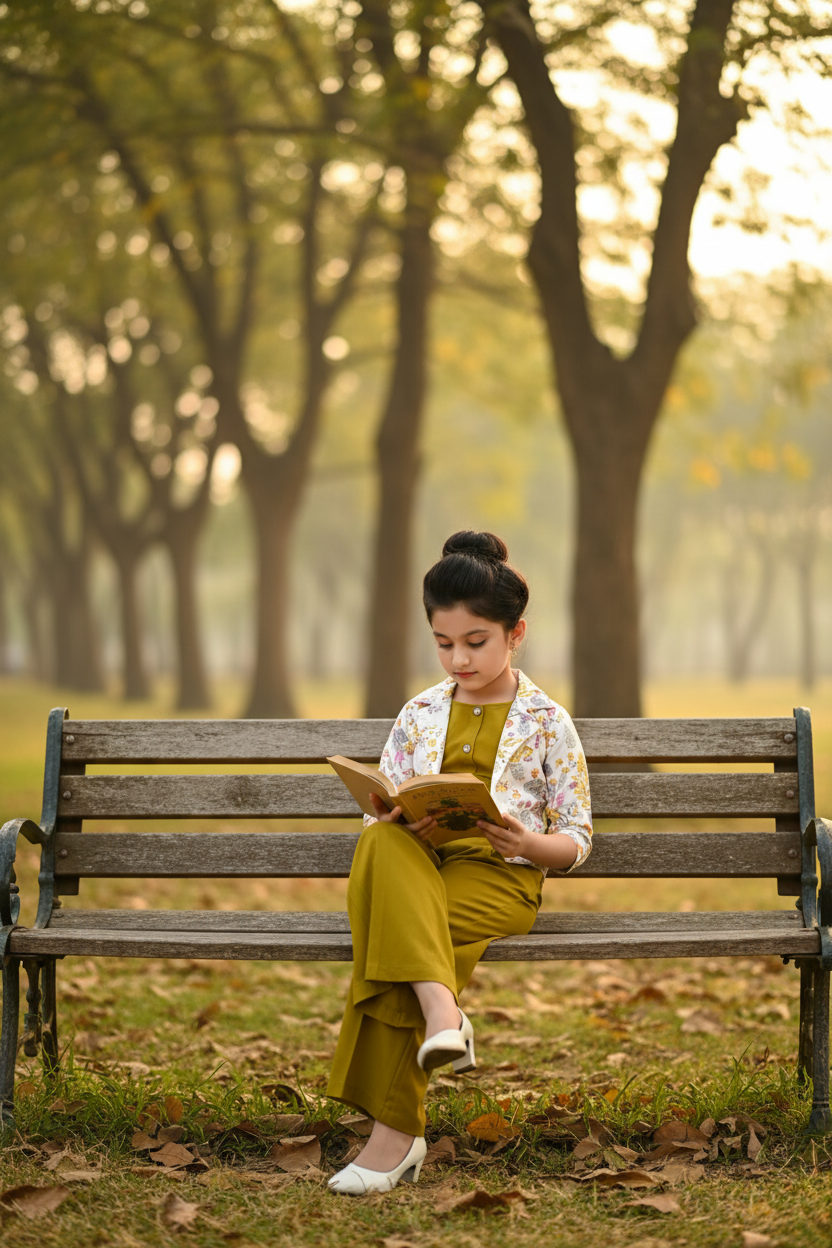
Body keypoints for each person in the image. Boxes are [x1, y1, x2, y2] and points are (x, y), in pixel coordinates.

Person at [326, 531, 592, 1195]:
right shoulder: (418, 713)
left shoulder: (547, 721)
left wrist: (528, 844)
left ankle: (393, 1138)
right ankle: (441, 1012)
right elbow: (380, 810)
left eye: (476, 641)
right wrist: (395, 817)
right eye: (443, 643)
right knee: (378, 843)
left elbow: (576, 836)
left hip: (500, 877)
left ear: (515, 633)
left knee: (394, 941)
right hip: (419, 866)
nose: (459, 658)